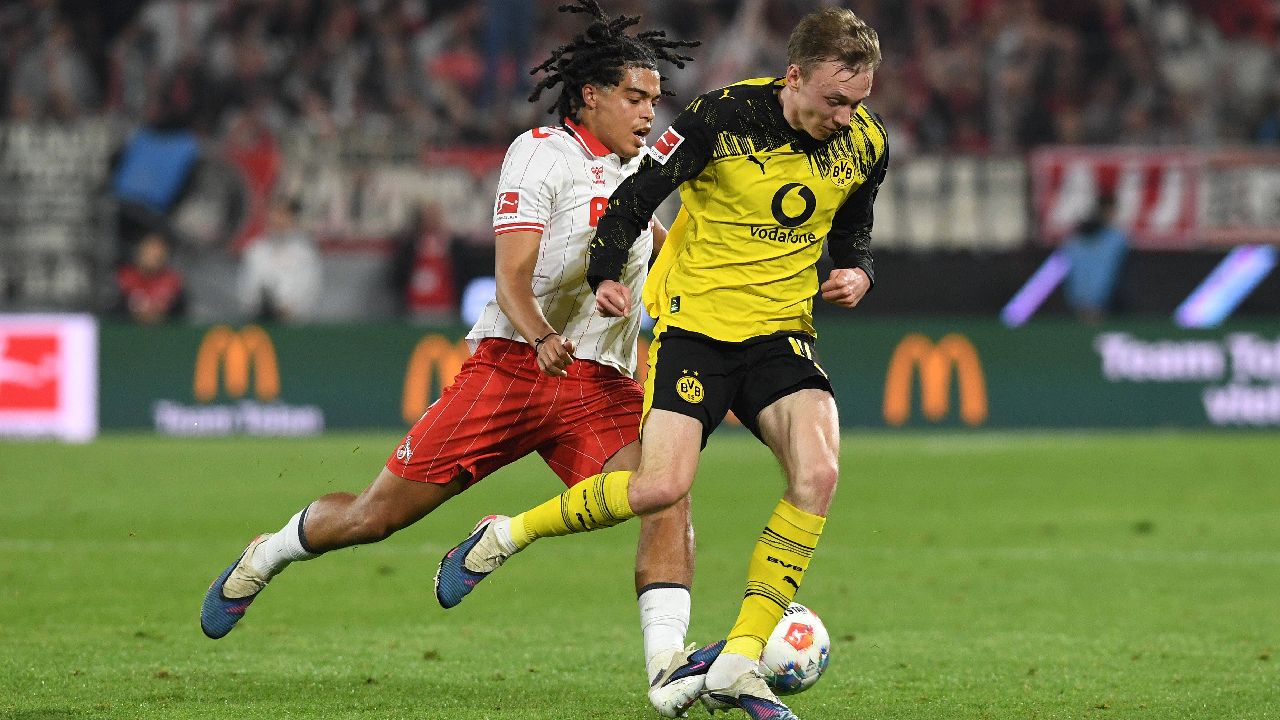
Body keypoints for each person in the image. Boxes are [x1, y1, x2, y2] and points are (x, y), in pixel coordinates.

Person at [201, 2, 699, 711]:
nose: (649, 113)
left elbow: (667, 262)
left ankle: (666, 671)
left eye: (655, 99)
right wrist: (543, 336)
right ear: (590, 95)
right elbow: (511, 277)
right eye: (635, 97)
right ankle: (270, 552)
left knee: (664, 495)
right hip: (514, 368)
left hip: (601, 383)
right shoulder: (540, 154)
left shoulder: (645, 173)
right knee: (374, 518)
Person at [437, 8, 888, 720]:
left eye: (857, 102)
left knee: (819, 474)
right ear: (794, 76)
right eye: (834, 100)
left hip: (780, 333)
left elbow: (854, 226)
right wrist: (607, 272)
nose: (845, 116)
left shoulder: (866, 143)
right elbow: (633, 198)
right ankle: (505, 534)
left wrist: (858, 271)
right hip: (696, 332)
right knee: (658, 488)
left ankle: (738, 663)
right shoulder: (721, 119)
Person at [237, 196, 322, 322]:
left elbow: (311, 290)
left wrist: (290, 308)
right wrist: (259, 305)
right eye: (275, 214)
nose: (279, 220)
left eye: (284, 214)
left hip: (295, 325)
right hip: (259, 324)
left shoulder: (305, 253)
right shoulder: (256, 250)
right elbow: (245, 289)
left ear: (292, 218)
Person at [1062, 193, 1128, 323]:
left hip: (1104, 305)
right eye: (1109, 211)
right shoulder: (1076, 240)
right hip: (1084, 303)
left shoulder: (1117, 239)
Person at [114, 231, 186, 324]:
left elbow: (181, 314)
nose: (154, 255)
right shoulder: (124, 278)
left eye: (158, 251)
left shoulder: (172, 281)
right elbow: (113, 311)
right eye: (150, 250)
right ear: (140, 251)